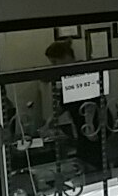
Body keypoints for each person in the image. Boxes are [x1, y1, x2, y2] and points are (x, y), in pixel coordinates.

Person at [43, 40, 110, 172]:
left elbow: (91, 101)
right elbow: (64, 104)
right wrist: (50, 121)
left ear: (65, 57)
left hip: (94, 123)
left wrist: (89, 125)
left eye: (55, 62)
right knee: (84, 158)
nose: (54, 66)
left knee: (95, 159)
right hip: (82, 125)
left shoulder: (83, 71)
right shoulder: (67, 76)